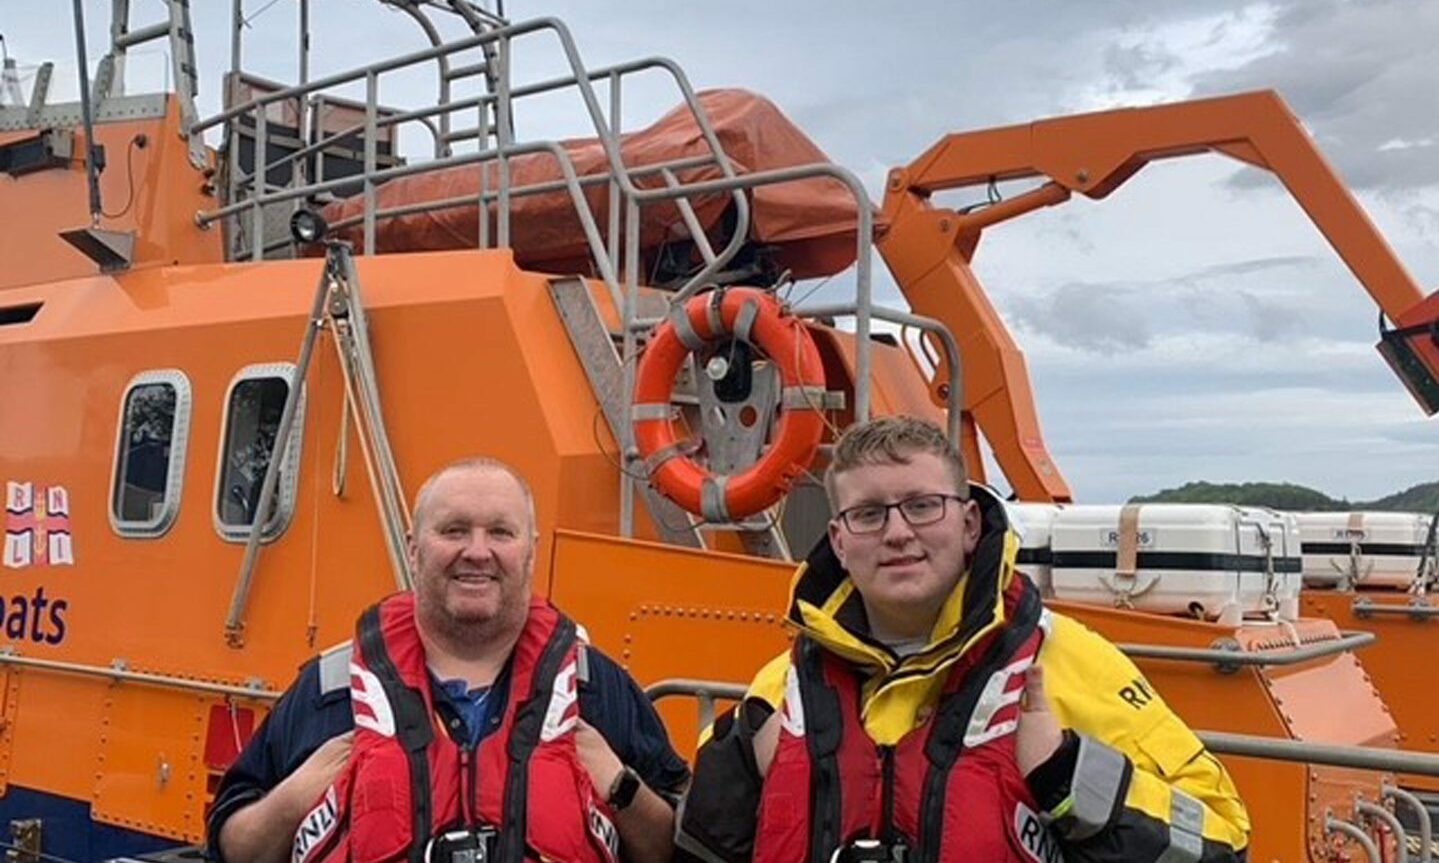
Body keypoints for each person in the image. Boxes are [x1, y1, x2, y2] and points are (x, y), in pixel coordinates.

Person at [676, 416, 1250, 863]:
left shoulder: (1064, 660)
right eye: (870, 514)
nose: (899, 533)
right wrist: (737, 771)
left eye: (923, 506)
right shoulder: (782, 691)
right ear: (839, 540)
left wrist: (1067, 773)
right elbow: (698, 849)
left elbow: (1223, 839)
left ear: (970, 524)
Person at [208, 457, 689, 863]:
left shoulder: (598, 689)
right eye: (454, 530)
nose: (477, 552)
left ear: (530, 553)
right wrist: (296, 796)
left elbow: (674, 848)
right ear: (415, 550)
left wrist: (622, 789)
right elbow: (231, 848)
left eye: (500, 532)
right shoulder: (329, 690)